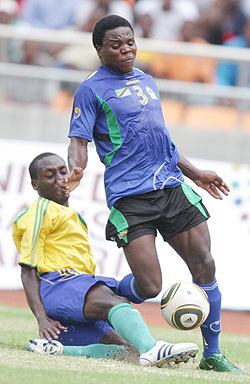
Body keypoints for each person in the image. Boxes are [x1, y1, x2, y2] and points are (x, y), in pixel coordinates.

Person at [67, 14, 246, 374]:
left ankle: (212, 354)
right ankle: (97, 297)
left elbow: (162, 140)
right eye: (115, 44)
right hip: (130, 198)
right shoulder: (91, 89)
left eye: (129, 41)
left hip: (170, 186)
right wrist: (76, 169)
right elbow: (78, 140)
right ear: (99, 49)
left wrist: (195, 174)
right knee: (150, 286)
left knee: (205, 263)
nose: (126, 49)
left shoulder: (148, 81)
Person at [12, 152, 199, 367]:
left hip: (76, 285)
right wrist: (42, 318)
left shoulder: (67, 214)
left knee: (126, 349)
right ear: (35, 185)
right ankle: (152, 348)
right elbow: (28, 270)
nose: (60, 179)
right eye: (50, 175)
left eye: (62, 172)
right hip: (59, 286)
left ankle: (58, 350)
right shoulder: (40, 210)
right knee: (114, 302)